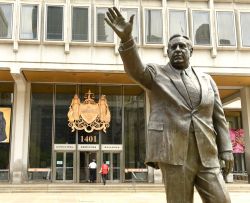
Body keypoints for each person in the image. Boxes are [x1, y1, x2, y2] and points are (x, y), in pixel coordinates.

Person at [105, 7, 234, 203]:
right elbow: (136, 71)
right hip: (174, 153)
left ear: (191, 51)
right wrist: (127, 40)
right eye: (173, 47)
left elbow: (220, 119)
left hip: (207, 155)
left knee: (222, 200)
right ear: (168, 52)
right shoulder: (157, 74)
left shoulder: (207, 80)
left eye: (182, 46)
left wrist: (226, 149)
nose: (178, 50)